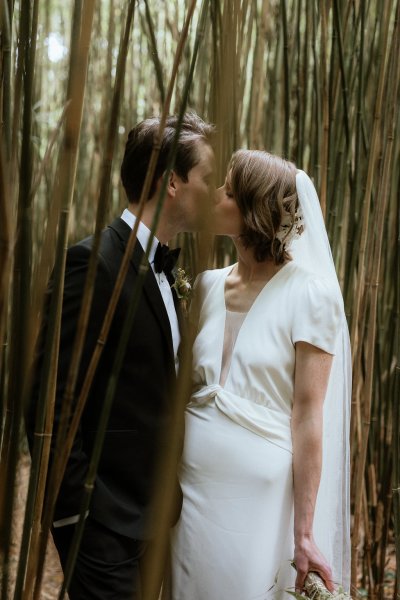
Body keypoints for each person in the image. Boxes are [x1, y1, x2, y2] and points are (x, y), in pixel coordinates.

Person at [29, 113, 215, 600]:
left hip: (153, 520)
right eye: (207, 179)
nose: (215, 193)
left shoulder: (172, 276)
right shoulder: (92, 264)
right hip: (101, 523)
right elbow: (51, 397)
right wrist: (75, 515)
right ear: (172, 182)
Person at [170, 150, 351, 599]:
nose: (214, 196)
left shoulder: (311, 294)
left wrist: (304, 534)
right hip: (190, 494)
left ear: (255, 210)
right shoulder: (207, 285)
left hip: (259, 501)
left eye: (228, 191)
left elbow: (309, 416)